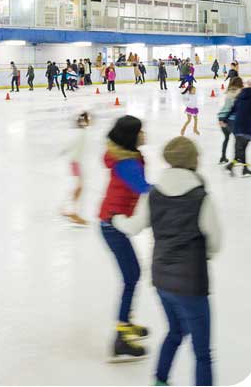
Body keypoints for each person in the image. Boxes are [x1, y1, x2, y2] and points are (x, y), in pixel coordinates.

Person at [112, 137, 221, 386]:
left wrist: (117, 219)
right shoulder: (201, 197)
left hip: (162, 281)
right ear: (194, 161)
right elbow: (215, 243)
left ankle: (160, 381)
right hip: (191, 285)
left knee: (175, 332)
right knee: (203, 353)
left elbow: (134, 226)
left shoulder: (154, 194)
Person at [99, 115, 153, 362]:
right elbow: (144, 188)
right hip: (113, 224)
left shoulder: (126, 157)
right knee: (131, 276)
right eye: (141, 131)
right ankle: (121, 335)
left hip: (112, 221)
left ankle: (125, 323)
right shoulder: (126, 164)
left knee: (132, 275)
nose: (144, 134)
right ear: (132, 136)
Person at [61, 111, 92, 226]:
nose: (91, 121)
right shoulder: (81, 133)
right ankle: (72, 212)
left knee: (78, 187)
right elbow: (72, 144)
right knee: (79, 188)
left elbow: (71, 145)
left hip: (76, 162)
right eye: (89, 119)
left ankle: (67, 209)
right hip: (76, 163)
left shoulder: (81, 132)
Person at [226, 77, 251, 178]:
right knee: (242, 148)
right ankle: (244, 169)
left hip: (237, 126)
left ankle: (233, 165)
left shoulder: (241, 94)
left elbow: (233, 108)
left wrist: (225, 118)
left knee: (241, 148)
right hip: (247, 126)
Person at [216, 77, 242, 168]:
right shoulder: (239, 92)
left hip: (221, 117)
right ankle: (237, 158)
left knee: (226, 138)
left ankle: (223, 157)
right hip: (229, 118)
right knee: (237, 138)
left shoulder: (229, 90)